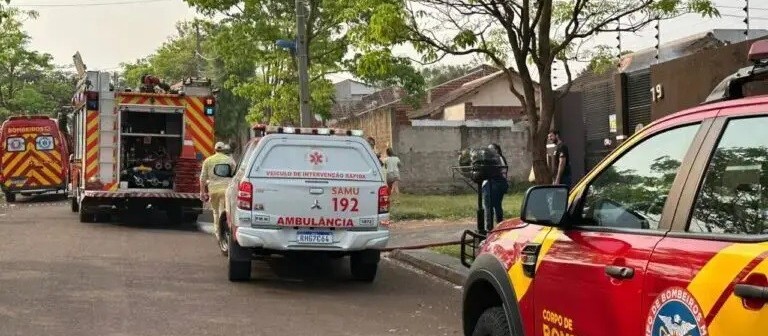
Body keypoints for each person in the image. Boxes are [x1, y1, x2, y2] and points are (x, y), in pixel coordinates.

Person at [199, 141, 236, 247]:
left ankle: (219, 236)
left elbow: (202, 178)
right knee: (226, 212)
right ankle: (227, 233)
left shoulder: (208, 161)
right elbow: (235, 175)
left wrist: (202, 192)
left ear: (215, 149)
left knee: (216, 213)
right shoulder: (229, 160)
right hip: (226, 190)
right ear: (224, 149)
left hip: (213, 190)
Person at [482, 143, 509, 232]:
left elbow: (495, 172)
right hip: (499, 184)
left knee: (489, 207)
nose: (488, 151)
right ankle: (499, 228)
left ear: (496, 150)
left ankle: (489, 229)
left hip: (493, 184)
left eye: (491, 149)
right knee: (497, 206)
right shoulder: (501, 157)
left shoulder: (495, 158)